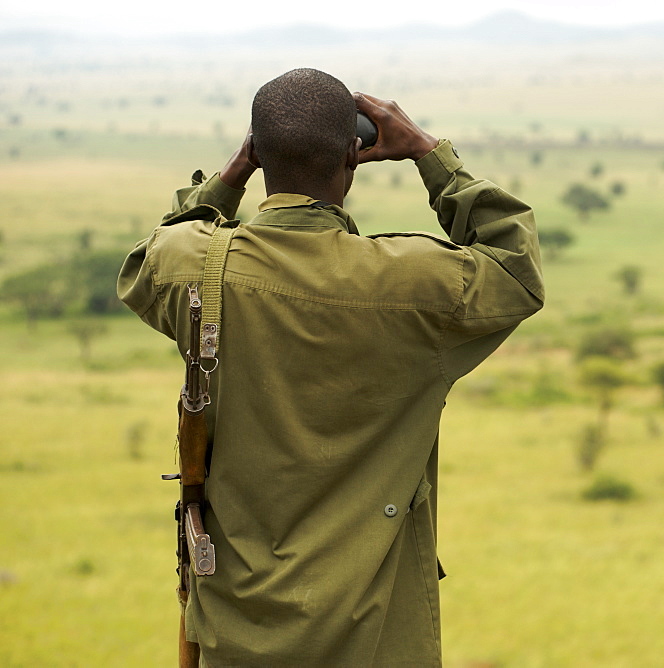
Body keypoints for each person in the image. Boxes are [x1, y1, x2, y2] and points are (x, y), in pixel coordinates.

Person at [118, 68, 543, 666]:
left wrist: (234, 173)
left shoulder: (195, 267)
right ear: (354, 152)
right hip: (375, 634)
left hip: (235, 628)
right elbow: (515, 268)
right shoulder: (414, 282)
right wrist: (429, 155)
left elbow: (152, 256)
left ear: (258, 154)